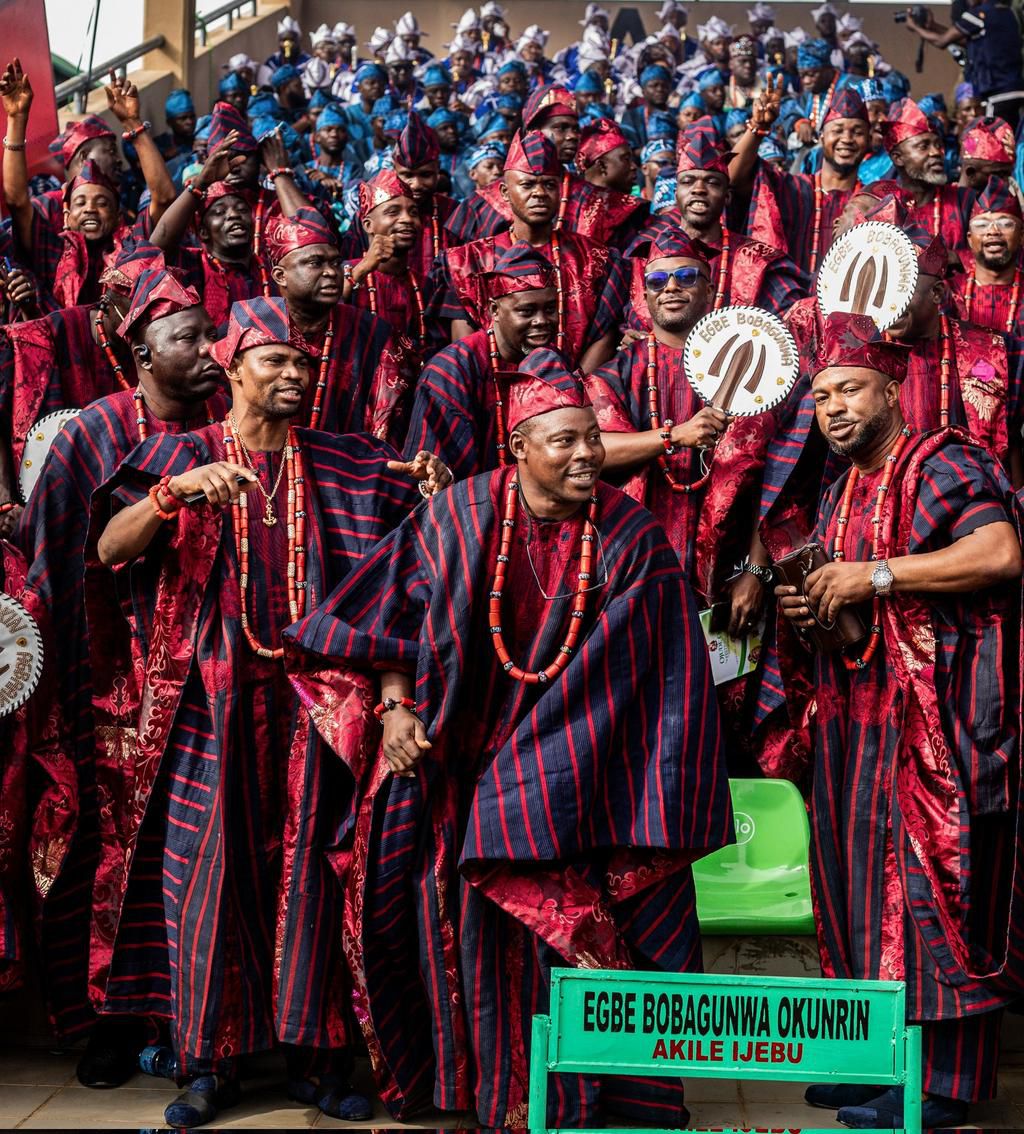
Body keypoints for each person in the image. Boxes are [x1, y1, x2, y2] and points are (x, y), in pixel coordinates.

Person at [282, 347, 732, 1128]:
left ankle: (603, 1099)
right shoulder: (456, 517)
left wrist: (528, 785)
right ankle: (466, 1089)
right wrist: (394, 711)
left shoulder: (633, 541)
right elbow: (379, 627)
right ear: (518, 447)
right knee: (391, 903)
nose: (588, 454)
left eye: (593, 437)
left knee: (594, 925)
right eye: (565, 440)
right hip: (450, 769)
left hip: (588, 781)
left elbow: (645, 686)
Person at [92, 296, 448, 1128]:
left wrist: (395, 699)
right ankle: (208, 1064)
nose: (294, 373)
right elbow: (110, 548)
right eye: (275, 360)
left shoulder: (350, 463)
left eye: (302, 362)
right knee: (209, 879)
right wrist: (175, 494)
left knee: (310, 879)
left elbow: (396, 593)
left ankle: (316, 1060)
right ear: (233, 366)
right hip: (207, 705)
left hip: (317, 709)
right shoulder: (177, 452)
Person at [776, 310, 1024, 1130]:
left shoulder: (945, 457)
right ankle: (876, 1059)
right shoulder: (842, 484)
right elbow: (847, 598)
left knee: (931, 892)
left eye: (849, 388)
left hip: (941, 721)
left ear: (892, 387)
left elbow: (998, 554)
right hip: (858, 721)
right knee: (853, 892)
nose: (834, 407)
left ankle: (943, 1086)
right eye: (819, 397)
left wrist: (871, 576)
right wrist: (810, 597)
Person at [16, 262, 226, 1085]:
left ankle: (193, 1019)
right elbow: (50, 558)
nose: (211, 349)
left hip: (199, 686)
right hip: (105, 682)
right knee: (104, 855)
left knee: (188, 859)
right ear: (142, 351)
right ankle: (107, 1020)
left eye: (213, 334)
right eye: (190, 337)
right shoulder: (91, 433)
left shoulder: (227, 430)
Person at [587, 231, 777, 772]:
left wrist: (757, 575)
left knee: (723, 731)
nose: (671, 287)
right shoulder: (616, 375)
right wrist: (674, 437)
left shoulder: (749, 366)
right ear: (642, 296)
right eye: (657, 280)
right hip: (636, 576)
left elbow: (780, 482)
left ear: (709, 283)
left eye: (685, 276)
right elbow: (594, 452)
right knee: (638, 727)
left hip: (729, 579)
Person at [440, 130, 626, 372]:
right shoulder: (468, 261)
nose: (539, 193)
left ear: (560, 190)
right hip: (491, 391)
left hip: (575, 397)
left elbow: (605, 336)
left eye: (549, 184)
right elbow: (465, 342)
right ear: (505, 193)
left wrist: (571, 391)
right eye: (527, 184)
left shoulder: (596, 258)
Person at [403, 241, 559, 479]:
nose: (542, 321)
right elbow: (430, 472)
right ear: (494, 311)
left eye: (550, 309)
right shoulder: (450, 372)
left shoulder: (555, 363)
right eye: (527, 311)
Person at [632, 118, 807, 321]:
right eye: (688, 181)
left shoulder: (756, 259)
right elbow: (634, 323)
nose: (698, 189)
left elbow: (793, 318)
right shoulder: (648, 259)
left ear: (727, 196)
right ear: (675, 192)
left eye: (712, 182)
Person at [265, 203, 406, 439]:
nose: (331, 272)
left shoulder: (374, 333)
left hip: (353, 467)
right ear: (281, 276)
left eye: (335, 263)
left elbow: (387, 422)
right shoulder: (256, 333)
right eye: (315, 263)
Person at [733, 82, 871, 273]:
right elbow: (732, 177)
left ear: (869, 141)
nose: (847, 139)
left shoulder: (870, 203)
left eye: (857, 132)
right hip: (785, 300)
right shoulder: (791, 188)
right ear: (822, 137)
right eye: (837, 130)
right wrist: (758, 127)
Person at [871, 98, 974, 253]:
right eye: (923, 146)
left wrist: (952, 258)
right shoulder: (879, 203)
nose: (936, 153)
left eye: (938, 145)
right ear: (898, 158)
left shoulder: (964, 201)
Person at [906, 0, 1023, 125]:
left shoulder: (978, 14)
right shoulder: (1005, 12)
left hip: (996, 92)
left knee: (996, 139)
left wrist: (915, 27)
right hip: (1015, 88)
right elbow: (964, 40)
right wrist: (933, 26)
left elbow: (941, 41)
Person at [950, 176, 1024, 335]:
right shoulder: (948, 293)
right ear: (969, 239)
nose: (993, 231)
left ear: (1022, 236)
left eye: (1005, 224)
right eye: (982, 225)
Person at [389, 115, 456, 279]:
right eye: (407, 175)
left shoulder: (456, 214)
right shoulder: (374, 214)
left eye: (425, 175)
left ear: (438, 169)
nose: (416, 184)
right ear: (394, 170)